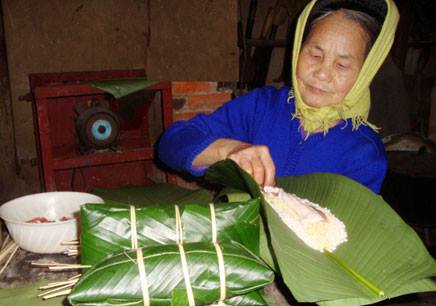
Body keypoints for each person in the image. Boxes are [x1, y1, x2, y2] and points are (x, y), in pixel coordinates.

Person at [157, 0, 400, 194]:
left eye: (342, 65)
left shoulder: (364, 153)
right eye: (315, 56)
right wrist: (228, 150)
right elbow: (171, 143)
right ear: (297, 51)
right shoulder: (260, 107)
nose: (322, 74)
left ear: (366, 72)